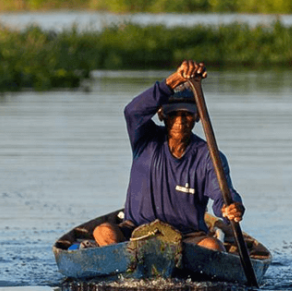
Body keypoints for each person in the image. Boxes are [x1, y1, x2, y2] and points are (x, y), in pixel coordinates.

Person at [93, 60, 245, 252]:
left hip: (186, 237)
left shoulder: (209, 156)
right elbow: (132, 111)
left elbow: (223, 195)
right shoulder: (145, 139)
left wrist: (230, 208)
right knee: (102, 231)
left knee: (213, 246)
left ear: (197, 116)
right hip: (137, 230)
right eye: (173, 114)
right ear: (162, 114)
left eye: (187, 114)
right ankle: (126, 261)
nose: (180, 121)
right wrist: (176, 79)